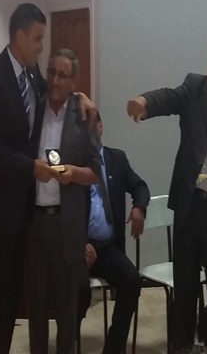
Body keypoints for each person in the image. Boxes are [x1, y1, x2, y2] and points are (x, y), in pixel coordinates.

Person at [0, 3, 96, 354]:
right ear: (20, 35)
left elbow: (56, 91)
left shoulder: (30, 74)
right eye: (38, 39)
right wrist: (31, 168)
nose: (42, 47)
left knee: (14, 298)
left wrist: (81, 96)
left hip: (22, 211)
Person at [126, 37, 207, 354]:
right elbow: (169, 98)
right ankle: (182, 347)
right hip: (190, 207)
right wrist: (144, 102)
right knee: (185, 290)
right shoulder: (195, 87)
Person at [26, 49, 101, 354]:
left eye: (63, 75)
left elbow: (96, 173)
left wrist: (73, 174)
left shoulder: (84, 116)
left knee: (67, 310)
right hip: (35, 223)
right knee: (35, 307)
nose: (55, 81)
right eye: (52, 72)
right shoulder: (35, 107)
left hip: (67, 226)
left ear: (73, 82)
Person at [79, 112, 150, 354]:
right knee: (79, 291)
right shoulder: (73, 163)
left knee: (132, 280)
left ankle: (114, 347)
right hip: (80, 247)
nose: (86, 132)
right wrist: (80, 242)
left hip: (108, 248)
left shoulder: (116, 159)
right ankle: (70, 341)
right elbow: (63, 210)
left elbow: (140, 186)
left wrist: (139, 207)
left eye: (90, 126)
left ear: (100, 127)